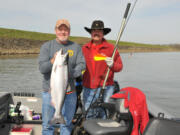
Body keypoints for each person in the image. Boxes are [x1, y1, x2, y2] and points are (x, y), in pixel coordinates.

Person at [38, 19, 85, 135]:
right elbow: (42, 69)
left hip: (70, 93)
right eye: (60, 29)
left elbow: (82, 64)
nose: (63, 32)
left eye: (66, 29)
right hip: (49, 93)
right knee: (47, 125)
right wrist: (52, 61)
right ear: (55, 31)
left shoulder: (76, 47)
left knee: (67, 124)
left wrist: (73, 73)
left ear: (69, 32)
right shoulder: (47, 46)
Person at [82, 20, 123, 119]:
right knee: (89, 113)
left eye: (99, 31)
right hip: (88, 87)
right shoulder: (84, 48)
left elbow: (120, 67)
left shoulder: (111, 48)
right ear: (91, 33)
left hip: (106, 88)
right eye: (94, 31)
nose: (96, 33)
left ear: (103, 33)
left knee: (104, 114)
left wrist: (113, 64)